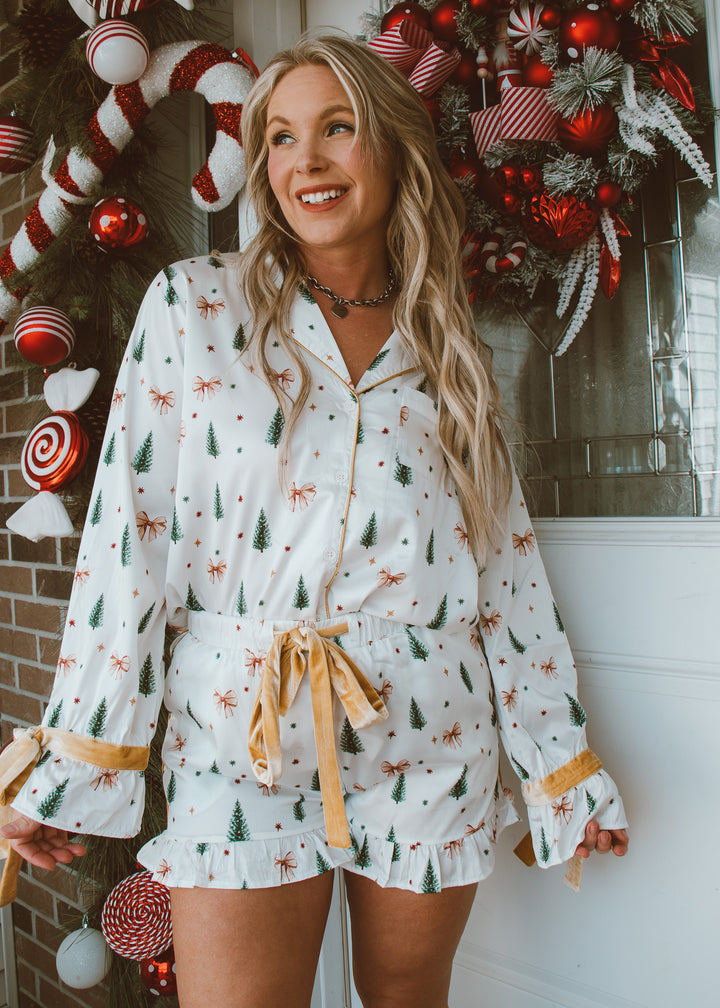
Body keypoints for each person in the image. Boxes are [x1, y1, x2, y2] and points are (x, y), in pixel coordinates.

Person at [0, 33, 628, 1008]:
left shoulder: (448, 343)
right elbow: (130, 546)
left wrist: (562, 768)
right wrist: (76, 752)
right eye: (281, 136)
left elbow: (505, 575)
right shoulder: (194, 308)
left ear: (391, 148)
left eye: (337, 127)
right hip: (238, 737)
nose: (305, 158)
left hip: (431, 742)